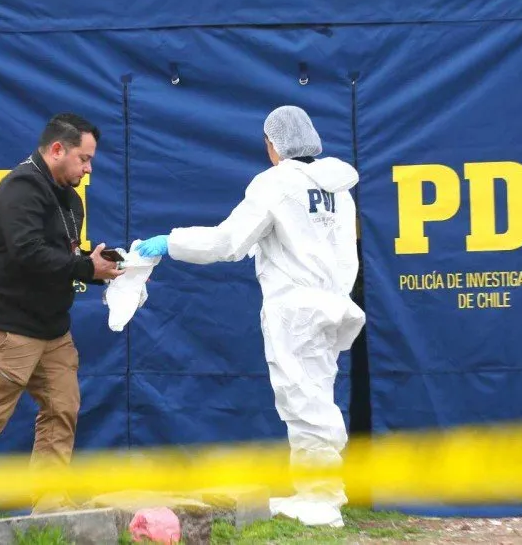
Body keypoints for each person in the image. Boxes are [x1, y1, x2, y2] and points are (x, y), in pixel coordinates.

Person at [134, 105, 365, 528]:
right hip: (333, 305)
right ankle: (323, 491)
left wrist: (172, 242)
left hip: (295, 308)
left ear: (273, 144)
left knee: (303, 401)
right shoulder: (338, 189)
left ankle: (321, 501)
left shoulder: (275, 184)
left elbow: (227, 242)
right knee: (317, 397)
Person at [0, 114, 123, 525]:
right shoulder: (20, 187)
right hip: (7, 327)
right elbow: (28, 253)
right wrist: (84, 269)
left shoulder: (70, 199)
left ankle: (51, 504)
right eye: (84, 158)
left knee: (63, 408)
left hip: (52, 329)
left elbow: (60, 261)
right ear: (57, 149)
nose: (89, 168)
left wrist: (100, 268)